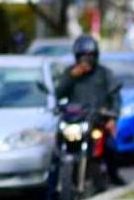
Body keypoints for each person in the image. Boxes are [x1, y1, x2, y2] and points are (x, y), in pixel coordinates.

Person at [54, 35, 125, 187]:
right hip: (76, 120)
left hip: (98, 120)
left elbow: (115, 96)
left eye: (89, 57)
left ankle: (113, 176)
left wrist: (113, 117)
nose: (86, 61)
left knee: (110, 147)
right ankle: (54, 188)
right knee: (57, 150)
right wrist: (72, 77)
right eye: (83, 57)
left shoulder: (105, 74)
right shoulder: (70, 73)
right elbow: (58, 94)